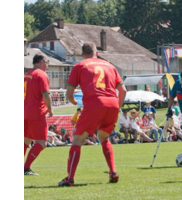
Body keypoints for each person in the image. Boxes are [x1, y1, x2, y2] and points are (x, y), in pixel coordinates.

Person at [58, 42, 127, 186]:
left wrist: (74, 102)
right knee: (104, 137)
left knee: (77, 140)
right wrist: (117, 107)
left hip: (95, 103)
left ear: (82, 55)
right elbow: (123, 91)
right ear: (96, 53)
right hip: (112, 103)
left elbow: (69, 93)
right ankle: (113, 171)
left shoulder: (80, 65)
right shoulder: (109, 65)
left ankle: (70, 178)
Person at [24, 54, 53, 175]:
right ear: (41, 62)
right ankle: (25, 168)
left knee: (25, 141)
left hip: (24, 112)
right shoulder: (41, 74)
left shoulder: (25, 75)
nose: (47, 65)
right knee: (41, 143)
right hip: (36, 112)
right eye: (47, 62)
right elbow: (46, 95)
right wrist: (50, 109)